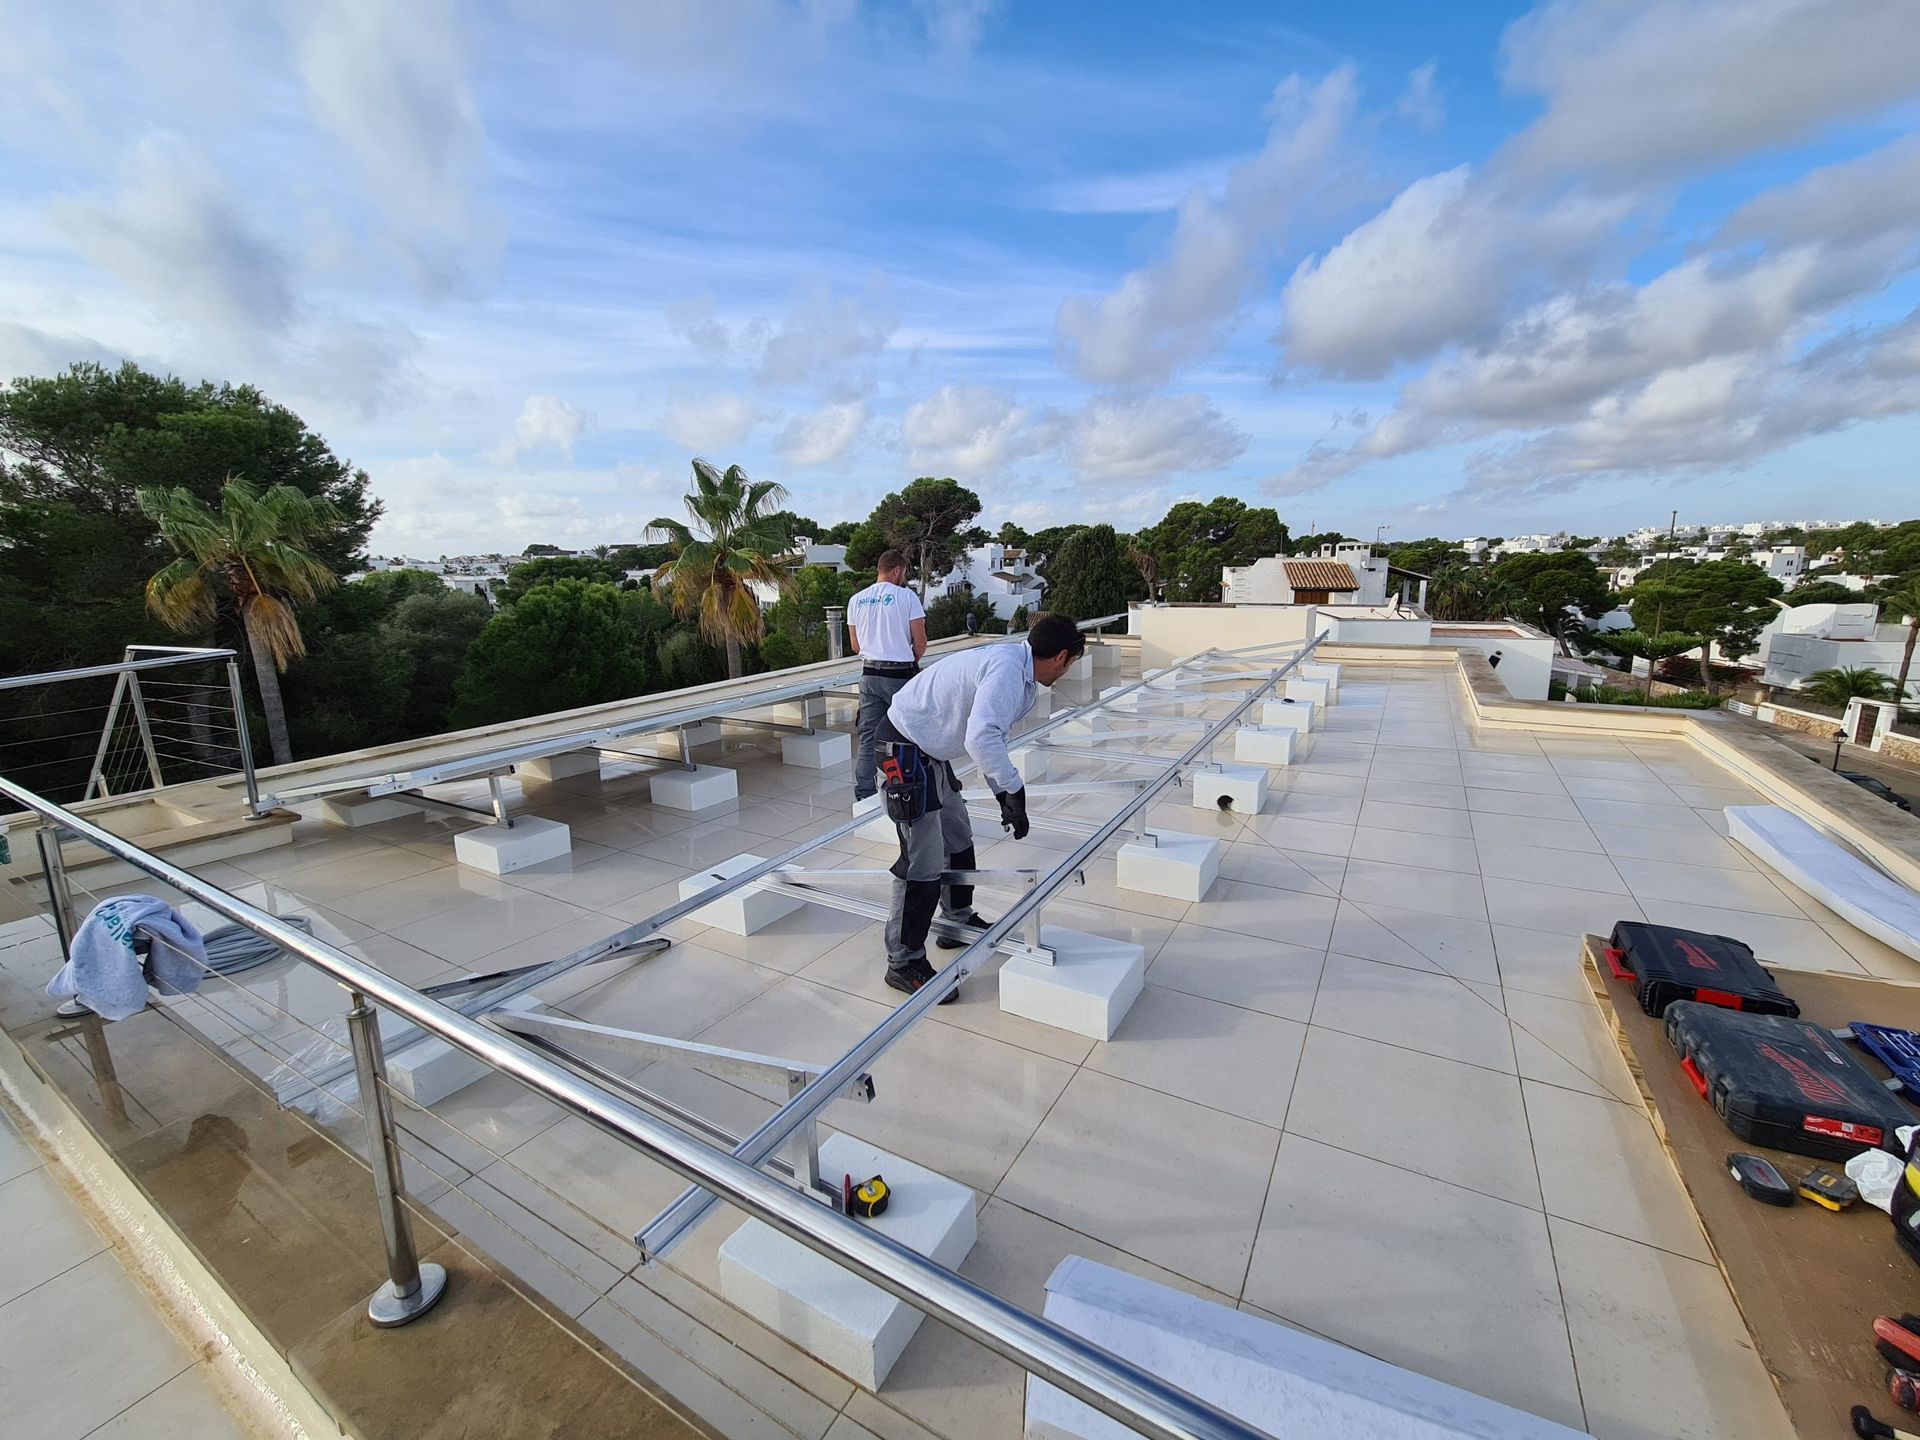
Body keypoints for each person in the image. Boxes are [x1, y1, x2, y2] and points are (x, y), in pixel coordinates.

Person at [875, 613, 1086, 999]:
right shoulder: (1008, 671)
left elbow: (989, 739)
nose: (1068, 670)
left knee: (958, 837)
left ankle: (955, 920)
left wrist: (1003, 796)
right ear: (1060, 657)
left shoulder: (1016, 672)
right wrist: (1014, 789)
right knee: (921, 860)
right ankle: (903, 962)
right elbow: (981, 737)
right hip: (903, 749)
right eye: (1071, 663)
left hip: (930, 752)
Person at [847, 550, 927, 801]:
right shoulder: (907, 597)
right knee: (910, 733)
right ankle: (911, 789)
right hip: (900, 675)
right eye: (903, 572)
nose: (903, 577)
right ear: (896, 570)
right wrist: (908, 658)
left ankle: (865, 793)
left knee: (869, 737)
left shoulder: (856, 600)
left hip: (869, 675)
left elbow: (855, 646)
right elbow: (921, 642)